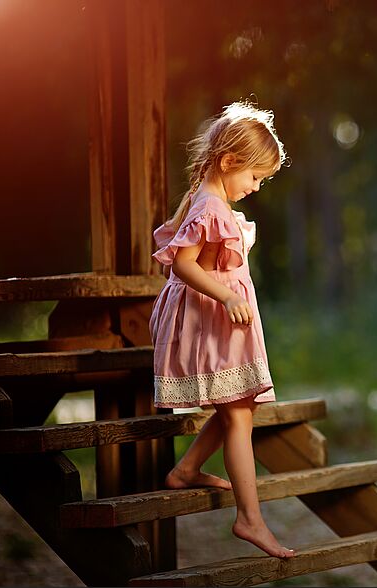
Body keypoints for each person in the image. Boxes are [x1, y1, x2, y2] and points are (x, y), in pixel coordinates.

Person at [149, 101, 295, 558]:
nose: (255, 187)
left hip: (219, 319)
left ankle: (188, 468)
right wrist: (229, 296)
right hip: (209, 317)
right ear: (229, 162)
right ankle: (250, 520)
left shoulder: (208, 199)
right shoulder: (209, 204)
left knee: (240, 404)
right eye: (254, 177)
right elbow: (184, 265)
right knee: (238, 414)